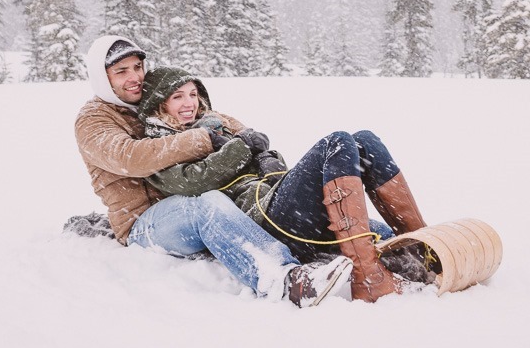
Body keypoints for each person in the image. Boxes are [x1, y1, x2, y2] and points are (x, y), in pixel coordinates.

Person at [74, 35, 353, 308]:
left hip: (200, 196)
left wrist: (255, 145)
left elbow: (219, 120)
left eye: (137, 67)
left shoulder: (154, 99)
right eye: (121, 71)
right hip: (145, 222)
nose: (135, 76)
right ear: (102, 77)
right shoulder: (93, 119)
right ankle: (283, 280)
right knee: (206, 204)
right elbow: (130, 157)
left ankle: (379, 241)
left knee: (294, 206)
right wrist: (203, 140)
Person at [137, 65, 436, 303]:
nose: (189, 103)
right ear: (159, 105)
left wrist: (269, 158)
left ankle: (423, 245)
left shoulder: (215, 127)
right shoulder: (158, 147)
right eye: (178, 97)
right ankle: (368, 276)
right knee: (337, 142)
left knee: (365, 140)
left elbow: (259, 163)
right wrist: (240, 147)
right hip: (264, 221)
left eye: (192, 94)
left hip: (279, 203)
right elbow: (192, 184)